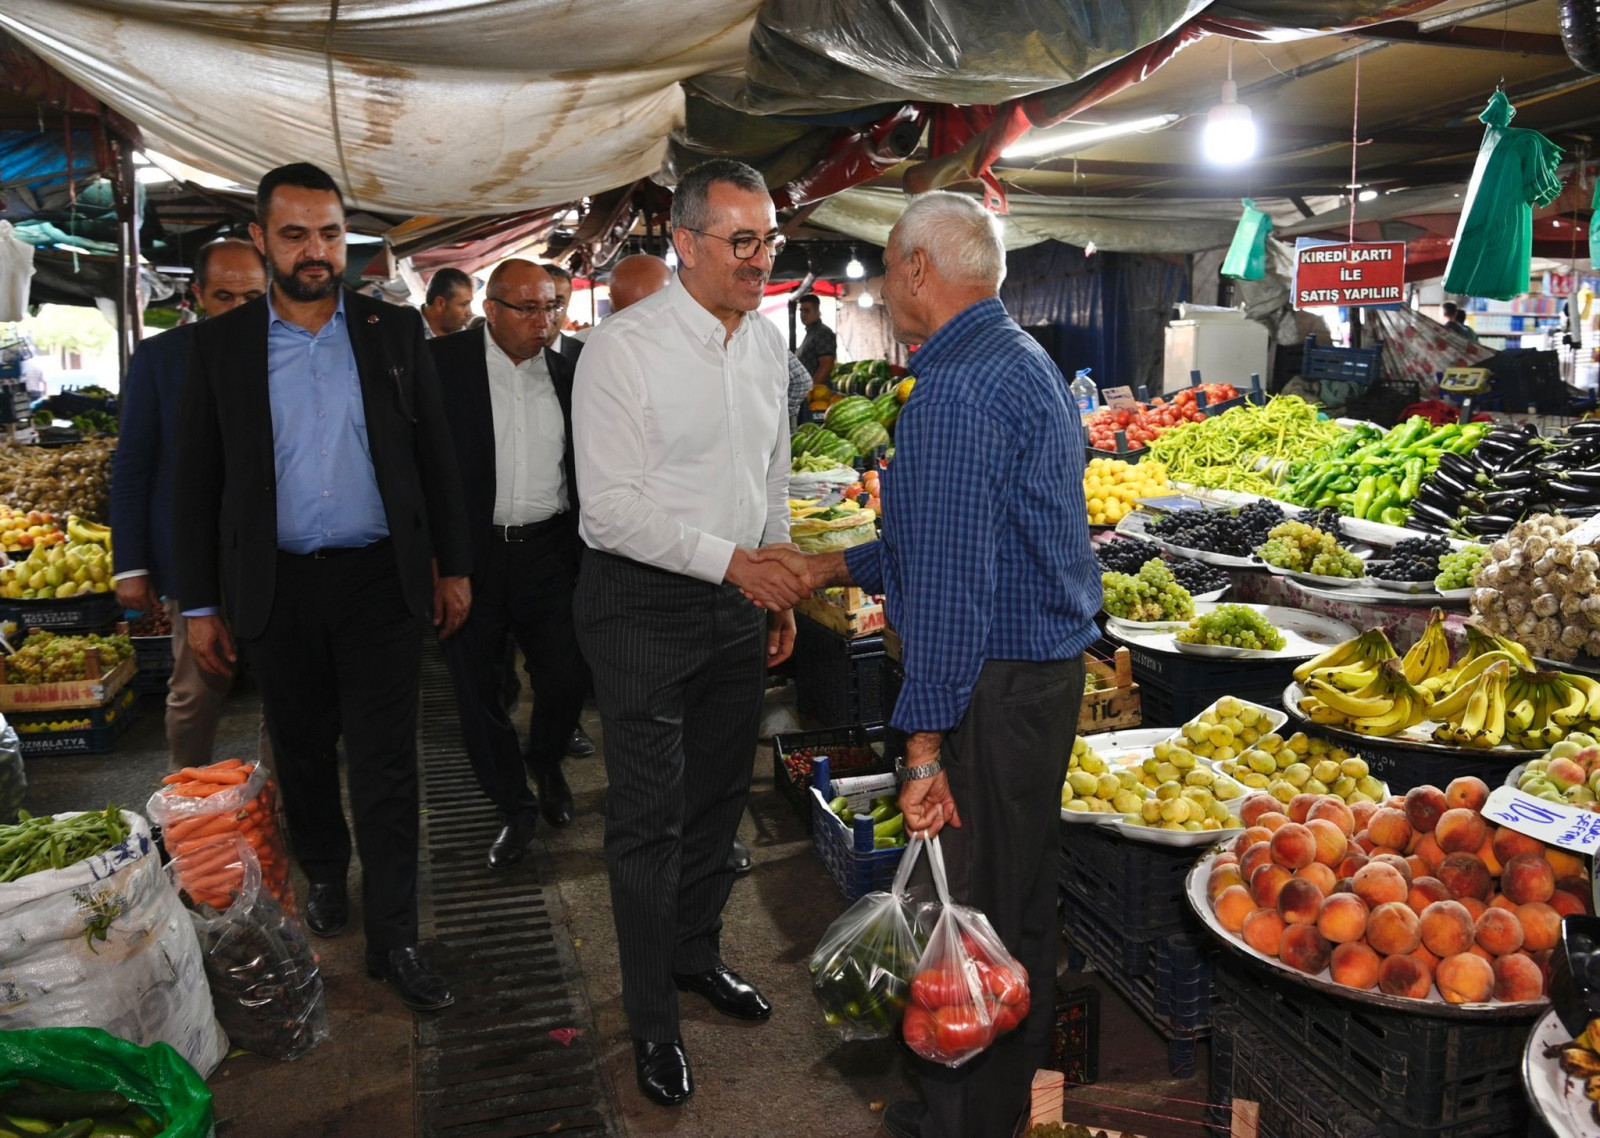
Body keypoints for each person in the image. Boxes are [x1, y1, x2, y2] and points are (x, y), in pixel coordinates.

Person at [750, 191, 1101, 1138]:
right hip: (1036, 681)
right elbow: (955, 534)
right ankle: (996, 1100)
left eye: (888, 265)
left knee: (974, 912)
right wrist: (832, 565)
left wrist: (922, 747)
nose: (888, 280)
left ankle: (966, 1115)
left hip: (992, 685)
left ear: (914, 270)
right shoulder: (1019, 359)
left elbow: (950, 590)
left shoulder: (953, 391)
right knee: (1013, 896)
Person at [173, 162, 473, 1013]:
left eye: (331, 233)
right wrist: (199, 605)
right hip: (277, 589)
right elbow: (195, 482)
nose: (316, 250)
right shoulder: (221, 346)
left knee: (386, 764)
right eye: (296, 234)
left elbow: (436, 456)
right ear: (261, 239)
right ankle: (327, 871)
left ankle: (396, 937)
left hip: (379, 582)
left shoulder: (392, 331)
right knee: (303, 754)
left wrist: (454, 566)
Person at [572, 158, 804, 1108]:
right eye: (741, 241)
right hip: (641, 606)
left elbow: (770, 474)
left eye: (768, 240)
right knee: (648, 819)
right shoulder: (622, 351)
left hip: (736, 605)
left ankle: (696, 954)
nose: (760, 259)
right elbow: (608, 511)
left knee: (718, 798)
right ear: (686, 243)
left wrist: (775, 574)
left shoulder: (766, 344)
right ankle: (651, 1020)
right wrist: (736, 563)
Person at [430, 260, 587, 861]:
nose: (543, 321)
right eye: (527, 309)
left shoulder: (574, 369)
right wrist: (443, 563)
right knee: (478, 692)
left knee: (566, 677)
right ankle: (512, 806)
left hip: (551, 550)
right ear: (490, 310)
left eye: (551, 307)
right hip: (470, 557)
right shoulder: (442, 365)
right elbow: (419, 468)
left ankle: (545, 762)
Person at [112, 238, 270, 770]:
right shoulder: (161, 359)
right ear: (199, 294)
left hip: (279, 550)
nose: (239, 309)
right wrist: (131, 564)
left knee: (289, 693)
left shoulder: (292, 353)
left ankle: (281, 806)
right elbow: (133, 465)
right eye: (224, 296)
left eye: (252, 297)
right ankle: (188, 799)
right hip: (193, 555)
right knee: (197, 689)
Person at [544, 264, 585, 363]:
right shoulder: (510, 353)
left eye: (557, 303)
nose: (548, 313)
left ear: (568, 303)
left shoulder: (586, 355)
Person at [796, 291, 836, 388]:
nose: (803, 314)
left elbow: (826, 365)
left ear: (818, 313)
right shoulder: (811, 333)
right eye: (801, 311)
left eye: (807, 310)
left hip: (818, 393)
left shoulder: (823, 333)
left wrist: (810, 390)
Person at [421, 267, 474, 339]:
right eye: (463, 304)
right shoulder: (408, 330)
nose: (469, 313)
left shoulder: (461, 332)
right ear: (440, 303)